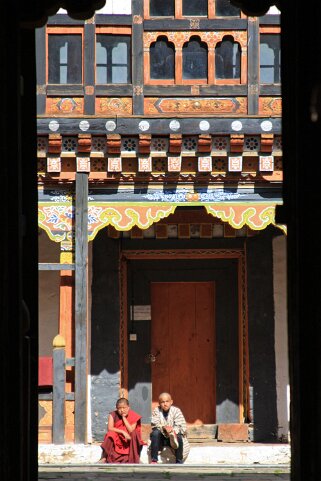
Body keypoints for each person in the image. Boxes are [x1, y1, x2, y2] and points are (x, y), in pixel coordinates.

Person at [99, 397, 145, 463]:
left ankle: (136, 458)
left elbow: (131, 430)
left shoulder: (134, 415)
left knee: (135, 433)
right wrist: (122, 432)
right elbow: (110, 428)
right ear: (116, 408)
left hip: (129, 439)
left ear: (128, 407)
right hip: (117, 438)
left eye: (124, 408)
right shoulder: (112, 415)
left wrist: (124, 418)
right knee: (110, 434)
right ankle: (104, 457)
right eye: (119, 408)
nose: (122, 410)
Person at [150, 392, 188, 464]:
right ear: (159, 403)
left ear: (171, 402)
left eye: (167, 401)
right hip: (161, 438)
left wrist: (171, 431)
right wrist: (164, 428)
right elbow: (154, 424)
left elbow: (181, 426)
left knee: (179, 436)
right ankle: (154, 460)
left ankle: (179, 461)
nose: (165, 404)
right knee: (155, 433)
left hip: (173, 437)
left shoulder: (176, 411)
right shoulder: (156, 411)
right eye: (162, 402)